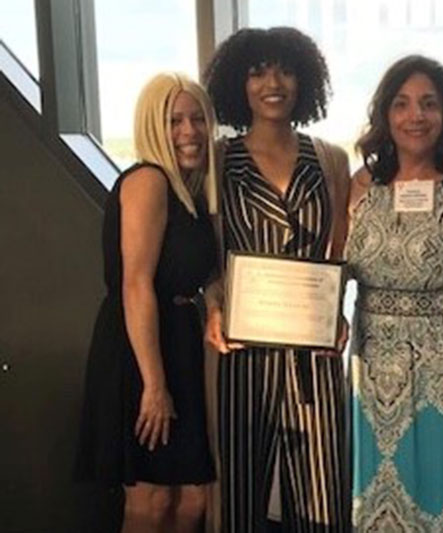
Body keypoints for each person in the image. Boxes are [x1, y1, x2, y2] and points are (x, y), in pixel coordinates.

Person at [202, 27, 350, 533]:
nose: (273, 82)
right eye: (257, 70)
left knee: (323, 501)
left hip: (313, 360)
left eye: (285, 69)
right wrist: (214, 305)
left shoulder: (329, 160)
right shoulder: (218, 163)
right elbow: (208, 258)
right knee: (239, 501)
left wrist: (339, 313)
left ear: (304, 79)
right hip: (243, 357)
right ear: (237, 84)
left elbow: (339, 255)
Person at [346, 54, 443, 531]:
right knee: (379, 494)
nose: (415, 116)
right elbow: (334, 269)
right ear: (385, 114)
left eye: (429, 104)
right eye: (402, 104)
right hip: (375, 367)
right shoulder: (360, 185)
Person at [75, 72, 218, 532]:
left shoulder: (193, 192)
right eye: (174, 120)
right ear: (154, 127)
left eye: (197, 119)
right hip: (140, 351)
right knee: (152, 500)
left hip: (178, 340)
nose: (189, 131)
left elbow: (206, 276)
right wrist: (154, 385)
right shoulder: (149, 180)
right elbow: (135, 285)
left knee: (194, 498)